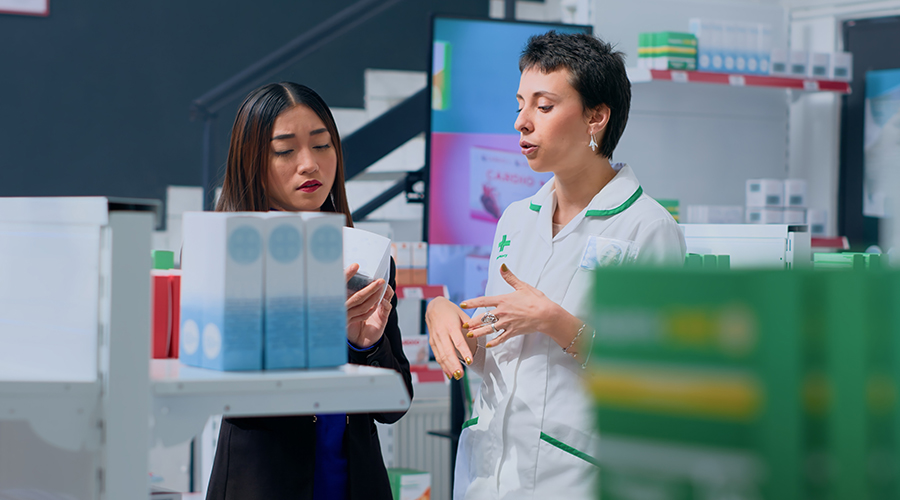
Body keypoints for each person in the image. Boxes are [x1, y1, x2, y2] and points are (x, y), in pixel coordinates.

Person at [426, 31, 686, 499]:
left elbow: (659, 384)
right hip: (490, 474)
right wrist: (448, 319)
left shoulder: (647, 228)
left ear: (596, 117)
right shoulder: (515, 220)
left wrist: (558, 324)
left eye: (543, 107)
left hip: (573, 480)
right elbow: (494, 354)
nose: (522, 123)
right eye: (521, 104)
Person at [206, 82, 413, 500]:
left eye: (322, 146)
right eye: (285, 150)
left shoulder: (367, 255)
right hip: (261, 485)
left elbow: (395, 404)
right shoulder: (225, 254)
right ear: (251, 160)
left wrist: (366, 347)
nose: (310, 164)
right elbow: (220, 389)